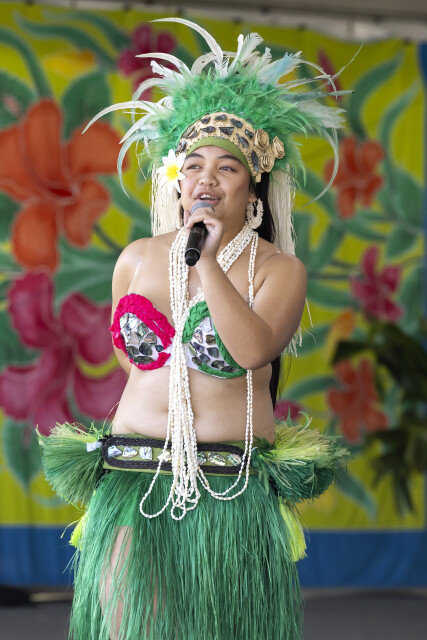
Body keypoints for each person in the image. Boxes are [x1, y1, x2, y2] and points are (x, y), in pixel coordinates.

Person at [38, 17, 350, 640]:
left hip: (228, 485)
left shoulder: (279, 269)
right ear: (176, 181)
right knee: (125, 627)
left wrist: (205, 262)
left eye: (227, 168)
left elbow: (252, 349)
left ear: (254, 188)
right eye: (194, 165)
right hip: (132, 476)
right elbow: (132, 362)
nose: (206, 179)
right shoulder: (136, 257)